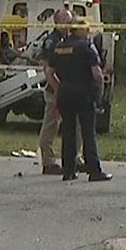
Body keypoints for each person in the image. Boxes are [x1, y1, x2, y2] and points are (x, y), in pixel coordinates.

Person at [43, 11, 111, 182]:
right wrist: (100, 90)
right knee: (88, 132)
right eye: (87, 30)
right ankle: (94, 170)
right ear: (82, 31)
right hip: (83, 94)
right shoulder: (86, 47)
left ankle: (68, 171)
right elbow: (96, 74)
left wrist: (58, 88)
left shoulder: (59, 47)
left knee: (68, 132)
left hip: (65, 94)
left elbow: (49, 72)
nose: (89, 34)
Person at [32, 9, 73, 175]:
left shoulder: (70, 39)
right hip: (54, 88)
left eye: (70, 21)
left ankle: (74, 157)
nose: (69, 24)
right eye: (66, 21)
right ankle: (48, 162)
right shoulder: (51, 41)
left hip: (69, 87)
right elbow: (48, 69)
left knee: (73, 125)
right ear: (57, 22)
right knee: (51, 125)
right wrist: (57, 90)